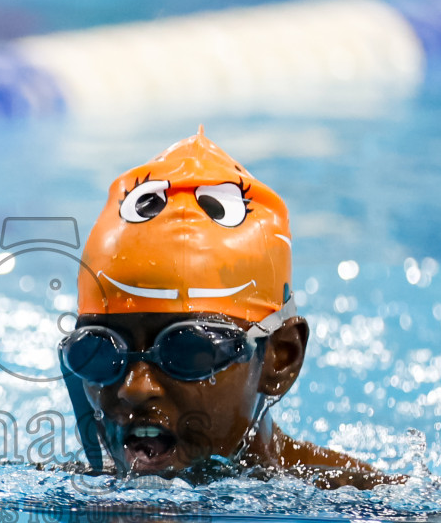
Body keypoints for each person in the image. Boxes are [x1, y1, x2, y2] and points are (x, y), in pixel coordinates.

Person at [60, 128, 396, 488]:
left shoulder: (367, 513)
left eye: (188, 349)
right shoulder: (72, 497)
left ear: (280, 357)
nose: (134, 387)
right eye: (97, 351)